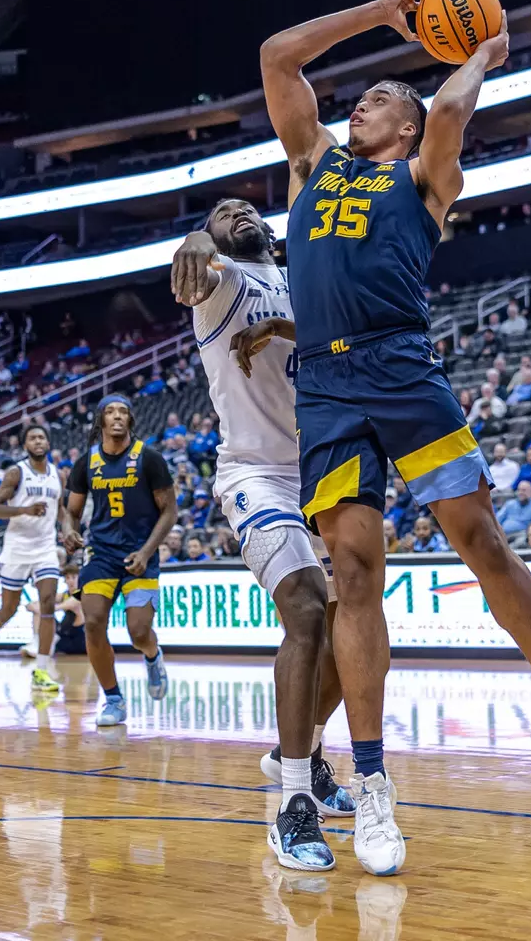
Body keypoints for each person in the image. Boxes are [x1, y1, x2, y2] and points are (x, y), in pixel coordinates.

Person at [260, 0, 531, 872]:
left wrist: (480, 47)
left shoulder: (424, 177)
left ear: (407, 125)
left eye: (380, 96)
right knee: (351, 574)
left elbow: (452, 106)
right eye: (362, 94)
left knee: (480, 541)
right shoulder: (309, 163)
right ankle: (374, 790)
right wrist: (380, 16)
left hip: (402, 368)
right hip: (328, 387)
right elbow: (278, 55)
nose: (360, 101)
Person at [172, 198, 354, 872]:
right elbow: (193, 269)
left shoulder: (302, 276)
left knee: (349, 631)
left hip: (322, 469)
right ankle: (294, 802)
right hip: (255, 476)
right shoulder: (218, 281)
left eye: (245, 205)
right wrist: (193, 237)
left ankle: (291, 748)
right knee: (306, 612)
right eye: (221, 212)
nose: (235, 210)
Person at [62, 396, 176, 726]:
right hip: (101, 553)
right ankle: (113, 699)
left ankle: (153, 656)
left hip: (141, 552)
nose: (117, 417)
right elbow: (70, 513)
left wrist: (146, 552)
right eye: (110, 412)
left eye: (123, 412)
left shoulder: (149, 459)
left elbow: (170, 511)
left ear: (130, 420)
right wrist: (69, 531)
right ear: (100, 421)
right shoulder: (86, 463)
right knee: (94, 621)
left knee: (138, 633)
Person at [0, 425, 64, 693]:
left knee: (47, 604)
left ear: (48, 442)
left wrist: (69, 530)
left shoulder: (57, 475)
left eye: (42, 437)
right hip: (17, 547)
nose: (38, 441)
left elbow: (62, 511)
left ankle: (42, 671)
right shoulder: (17, 472)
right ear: (25, 445)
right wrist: (24, 509)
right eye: (32, 438)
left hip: (46, 547)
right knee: (8, 609)